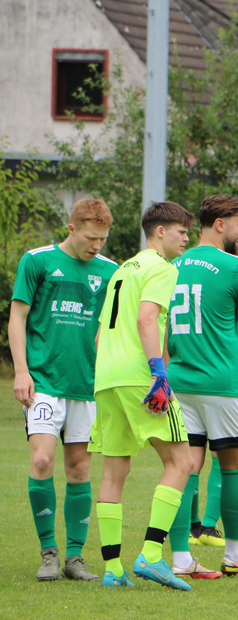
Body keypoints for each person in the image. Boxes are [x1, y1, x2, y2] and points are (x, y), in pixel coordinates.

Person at [9, 198, 118, 582]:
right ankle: (49, 553)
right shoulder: (37, 261)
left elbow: (110, 328)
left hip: (87, 385)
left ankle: (74, 557)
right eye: (90, 238)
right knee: (41, 461)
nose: (96, 246)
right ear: (71, 229)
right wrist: (21, 371)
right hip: (44, 381)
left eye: (103, 239)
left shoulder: (110, 272)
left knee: (79, 468)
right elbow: (17, 317)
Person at [89, 201, 194, 590]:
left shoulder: (122, 269)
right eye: (182, 232)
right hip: (140, 377)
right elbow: (146, 319)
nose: (186, 239)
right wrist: (158, 372)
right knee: (182, 462)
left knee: (113, 471)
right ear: (160, 232)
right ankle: (151, 555)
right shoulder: (163, 268)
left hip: (106, 378)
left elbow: (99, 337)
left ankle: (112, 569)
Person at [165, 194, 238, 579]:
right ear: (220, 224)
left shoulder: (171, 263)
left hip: (179, 382)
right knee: (235, 468)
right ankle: (236, 553)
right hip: (223, 384)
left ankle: (181, 558)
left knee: (184, 469)